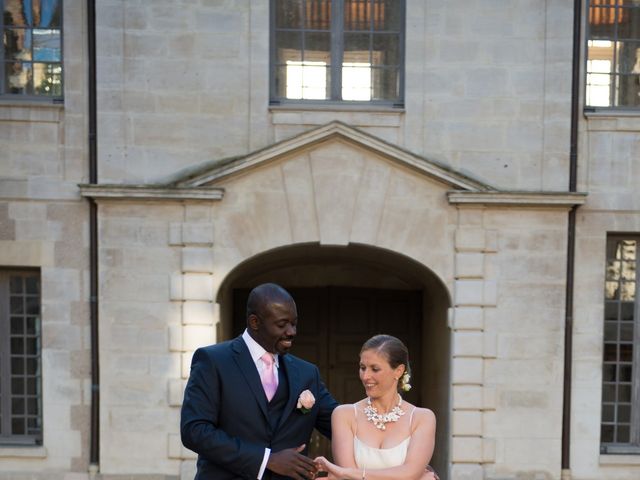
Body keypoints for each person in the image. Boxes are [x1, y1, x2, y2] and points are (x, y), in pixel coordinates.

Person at [181, 283, 338, 479]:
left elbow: (340, 423)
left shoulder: (307, 373)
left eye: (294, 323)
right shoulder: (213, 361)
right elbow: (195, 431)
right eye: (282, 325)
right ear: (254, 322)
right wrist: (266, 459)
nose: (292, 332)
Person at [314, 334, 437, 480]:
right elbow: (347, 478)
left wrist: (347, 473)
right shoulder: (344, 415)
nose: (365, 376)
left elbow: (410, 473)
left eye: (375, 369)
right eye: (362, 367)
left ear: (398, 371)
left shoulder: (422, 418)